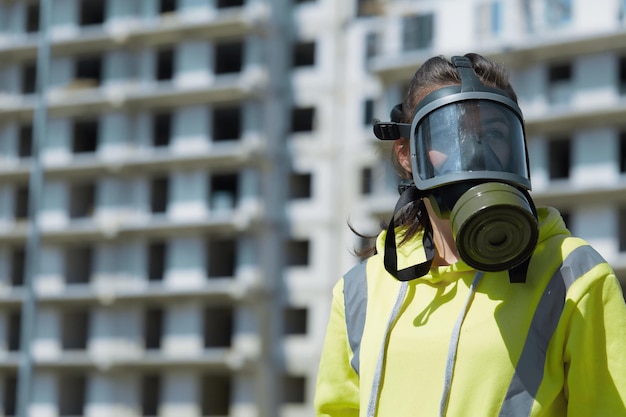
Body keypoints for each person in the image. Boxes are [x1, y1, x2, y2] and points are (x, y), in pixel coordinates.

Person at [314, 53, 626, 417]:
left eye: (494, 133)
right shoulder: (360, 290)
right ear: (406, 154)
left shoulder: (573, 275)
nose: (475, 152)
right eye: (450, 133)